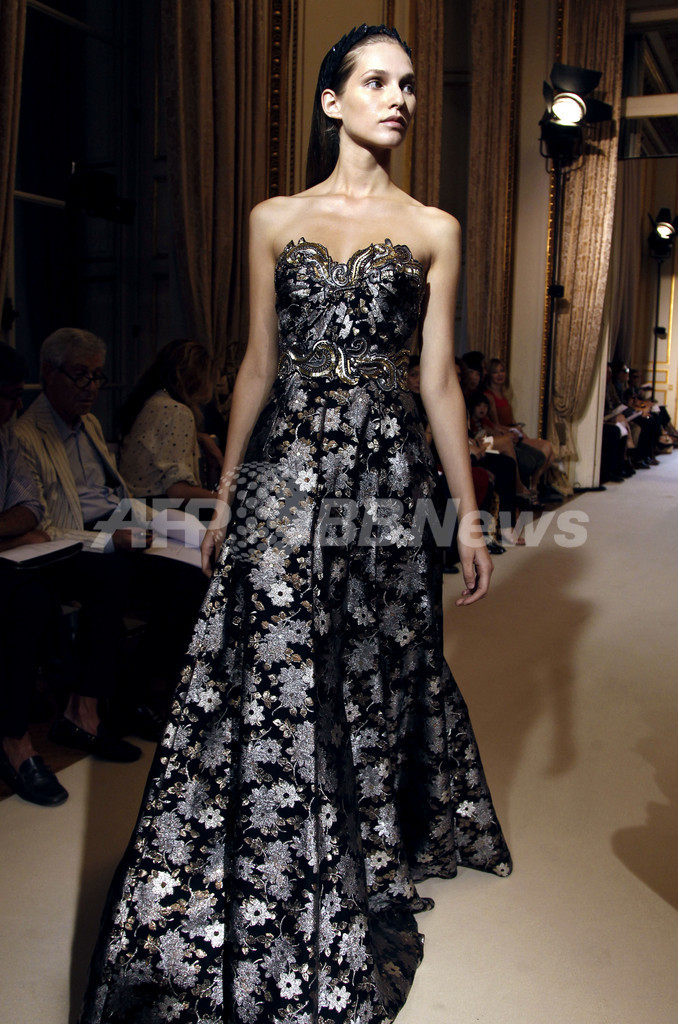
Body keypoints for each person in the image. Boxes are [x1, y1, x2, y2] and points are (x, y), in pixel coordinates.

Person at [78, 25, 511, 1024]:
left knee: (362, 671)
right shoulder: (272, 218)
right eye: (377, 80)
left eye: (408, 84)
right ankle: (261, 857)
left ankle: (348, 859)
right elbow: (257, 365)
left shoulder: (435, 227)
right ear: (331, 100)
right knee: (271, 658)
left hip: (385, 484)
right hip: (285, 473)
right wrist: (230, 493)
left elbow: (439, 383)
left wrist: (466, 516)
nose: (398, 98)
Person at [16, 328, 208, 752]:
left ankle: (131, 695)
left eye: (96, 376)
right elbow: (46, 525)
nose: (90, 387)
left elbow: (114, 494)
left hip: (114, 521)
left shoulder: (88, 423)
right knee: (114, 573)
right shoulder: (27, 434)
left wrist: (160, 523)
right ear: (49, 373)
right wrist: (111, 539)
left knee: (192, 575)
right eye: (80, 375)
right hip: (70, 539)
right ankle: (83, 713)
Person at [0, 343, 70, 804]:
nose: (15, 406)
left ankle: (17, 736)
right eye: (8, 396)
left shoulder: (5, 435)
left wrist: (12, 537)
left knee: (33, 594)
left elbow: (30, 507)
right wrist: (11, 537)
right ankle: (18, 740)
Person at [119, 338, 222, 504]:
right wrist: (225, 500)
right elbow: (178, 491)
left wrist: (200, 437)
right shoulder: (177, 412)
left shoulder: (151, 403)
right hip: (160, 510)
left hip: (134, 507)